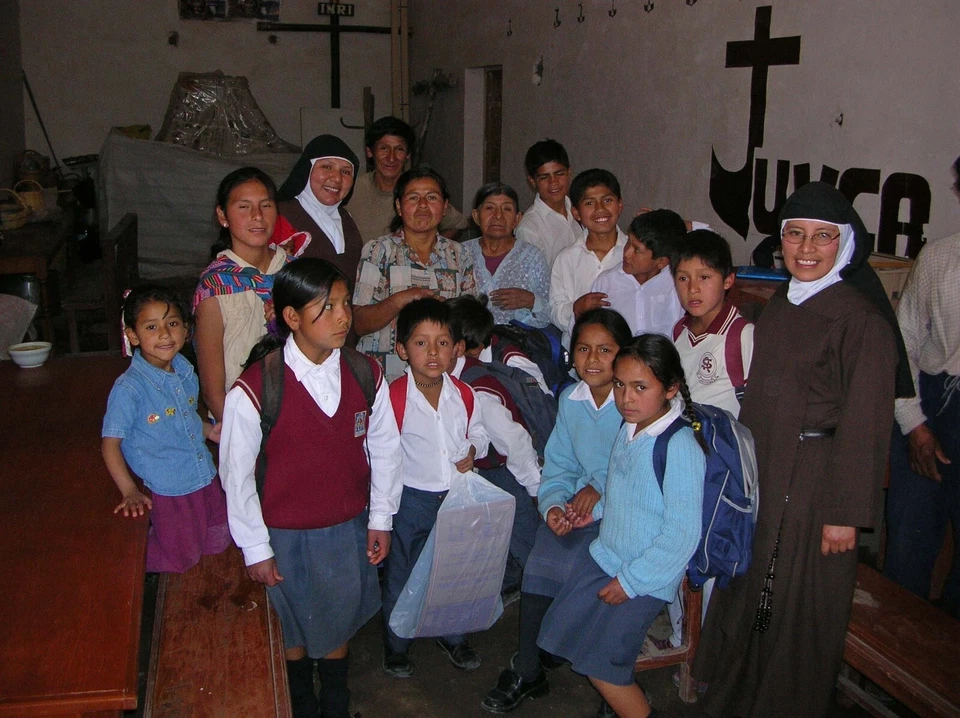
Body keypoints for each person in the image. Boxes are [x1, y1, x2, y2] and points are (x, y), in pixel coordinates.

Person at [693, 182, 912, 717]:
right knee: (753, 592)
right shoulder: (783, 307)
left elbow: (866, 425)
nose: (806, 248)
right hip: (767, 472)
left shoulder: (860, 322)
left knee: (792, 601)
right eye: (795, 234)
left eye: (822, 237)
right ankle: (738, 697)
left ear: (845, 245)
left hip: (817, 485)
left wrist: (843, 515)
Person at [219, 259, 401, 718]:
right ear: (292, 318)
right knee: (290, 627)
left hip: (344, 528)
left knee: (336, 621)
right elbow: (235, 475)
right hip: (281, 534)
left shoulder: (365, 374)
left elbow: (385, 449)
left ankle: (335, 703)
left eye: (344, 305)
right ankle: (300, 701)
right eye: (327, 308)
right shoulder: (259, 387)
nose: (344, 317)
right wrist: (255, 548)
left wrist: (381, 517)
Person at [537, 334, 706, 718]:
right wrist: (593, 514)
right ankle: (622, 700)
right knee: (574, 638)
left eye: (640, 387)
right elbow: (620, 492)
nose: (626, 398)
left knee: (603, 666)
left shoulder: (678, 448)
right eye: (620, 385)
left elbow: (681, 536)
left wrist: (630, 582)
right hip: (607, 557)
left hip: (642, 576)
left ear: (671, 389)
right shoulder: (629, 429)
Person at [481, 309, 633, 715]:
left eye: (606, 349)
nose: (594, 359)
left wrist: (596, 492)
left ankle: (610, 680)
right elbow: (559, 463)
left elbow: (635, 471)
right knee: (542, 558)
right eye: (584, 349)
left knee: (594, 570)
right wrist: (551, 505)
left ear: (624, 355)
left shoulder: (634, 400)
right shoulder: (572, 398)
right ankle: (529, 668)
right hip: (577, 509)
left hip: (622, 515)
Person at [380, 298, 490, 678]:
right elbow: (384, 458)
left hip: (456, 499)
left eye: (442, 342)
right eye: (420, 342)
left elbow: (479, 431)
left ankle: (452, 634)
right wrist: (383, 513)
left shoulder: (464, 393)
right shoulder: (392, 397)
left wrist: (474, 448)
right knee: (404, 572)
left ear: (456, 348)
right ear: (401, 349)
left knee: (454, 569)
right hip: (412, 501)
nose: (432, 352)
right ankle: (397, 643)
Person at [660, 228, 754, 653]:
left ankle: (705, 652)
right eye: (683, 277)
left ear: (728, 280)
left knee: (710, 555)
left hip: (720, 470)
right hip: (683, 461)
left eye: (705, 277)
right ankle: (683, 636)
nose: (692, 288)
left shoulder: (741, 336)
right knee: (678, 545)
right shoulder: (680, 329)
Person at [102, 285, 231, 573]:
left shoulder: (184, 369)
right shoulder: (129, 389)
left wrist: (208, 432)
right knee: (183, 558)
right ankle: (124, 558)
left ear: (186, 331)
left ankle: (174, 538)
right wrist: (129, 491)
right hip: (169, 487)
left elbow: (185, 417)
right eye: (151, 327)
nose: (164, 334)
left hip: (201, 472)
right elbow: (110, 444)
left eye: (172, 324)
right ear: (133, 335)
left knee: (219, 537)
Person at [884, 154, 960, 618]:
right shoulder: (940, 258)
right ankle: (890, 666)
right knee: (909, 541)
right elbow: (904, 340)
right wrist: (914, 425)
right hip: (931, 406)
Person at [447, 295, 542, 601]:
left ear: (459, 346)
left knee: (528, 541)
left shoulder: (477, 384)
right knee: (508, 537)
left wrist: (536, 490)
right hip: (490, 470)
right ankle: (516, 582)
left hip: (506, 474)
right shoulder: (457, 375)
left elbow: (514, 441)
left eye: (440, 341)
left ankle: (549, 609)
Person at [353, 167, 478, 380]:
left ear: (445, 206)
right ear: (399, 207)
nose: (422, 205)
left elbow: (470, 322)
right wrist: (404, 299)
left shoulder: (459, 254)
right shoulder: (379, 251)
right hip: (384, 377)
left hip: (439, 378)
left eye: (431, 197)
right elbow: (359, 323)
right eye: (413, 197)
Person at [194, 167, 294, 422]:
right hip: (242, 417)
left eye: (266, 205)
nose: (258, 216)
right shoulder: (215, 287)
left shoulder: (294, 273)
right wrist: (238, 438)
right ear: (222, 215)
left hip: (297, 410)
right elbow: (213, 390)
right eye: (244, 207)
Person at [349, 116, 469, 243]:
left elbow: (458, 225)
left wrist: (427, 247)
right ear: (369, 152)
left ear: (408, 155)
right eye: (384, 149)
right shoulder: (351, 190)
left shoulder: (419, 190)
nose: (391, 158)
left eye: (399, 149)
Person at [549, 169, 627, 348]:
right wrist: (576, 308)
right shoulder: (566, 259)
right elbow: (555, 310)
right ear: (576, 213)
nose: (600, 209)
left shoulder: (634, 255)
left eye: (607, 200)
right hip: (581, 357)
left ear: (620, 205)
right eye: (590, 203)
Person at [274, 134, 364, 284]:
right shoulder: (281, 215)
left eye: (346, 172)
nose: (337, 178)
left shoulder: (347, 218)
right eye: (327, 167)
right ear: (307, 170)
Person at [462, 182, 551, 327]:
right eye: (490, 208)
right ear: (476, 216)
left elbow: (551, 312)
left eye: (507, 209)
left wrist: (532, 301)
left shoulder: (533, 257)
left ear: (517, 219)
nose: (498, 216)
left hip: (517, 345)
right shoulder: (460, 253)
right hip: (468, 344)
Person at [591, 209, 686, 338]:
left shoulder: (675, 284)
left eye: (637, 250)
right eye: (628, 242)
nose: (626, 253)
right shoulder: (606, 282)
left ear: (662, 262)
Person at [515, 139, 581, 268]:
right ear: (532, 181)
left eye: (559, 174)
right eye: (544, 177)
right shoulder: (529, 228)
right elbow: (534, 282)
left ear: (569, 173)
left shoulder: (579, 210)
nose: (553, 182)